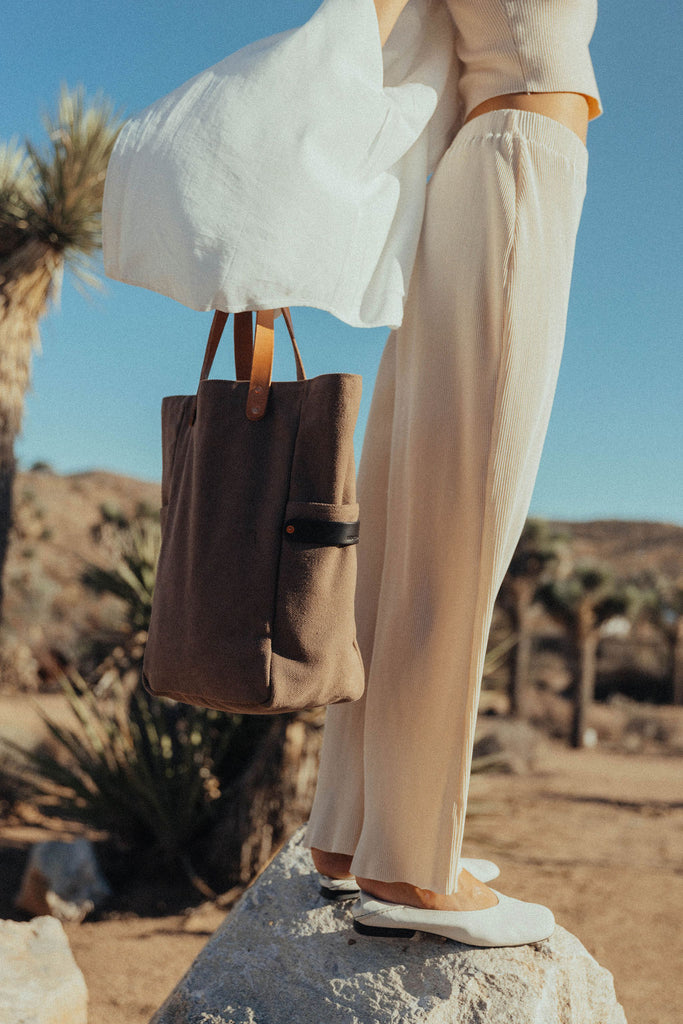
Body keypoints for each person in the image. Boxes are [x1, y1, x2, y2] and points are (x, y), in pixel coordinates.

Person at [304, 0, 602, 947]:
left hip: (481, 165)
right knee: (466, 513)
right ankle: (411, 862)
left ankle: (355, 831)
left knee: (416, 505)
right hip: (517, 157)